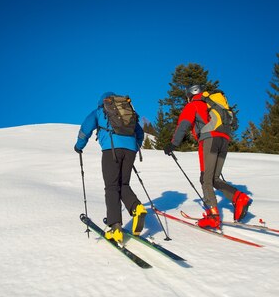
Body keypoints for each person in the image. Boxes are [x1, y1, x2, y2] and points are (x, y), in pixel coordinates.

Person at [163, 84, 251, 228]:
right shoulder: (212, 104)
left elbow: (184, 124)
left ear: (190, 94)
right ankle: (239, 197)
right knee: (214, 178)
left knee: (206, 179)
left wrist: (173, 144)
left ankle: (213, 215)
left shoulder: (194, 105)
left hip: (209, 141)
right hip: (224, 140)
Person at [74, 92, 147, 244]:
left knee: (112, 187)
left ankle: (115, 228)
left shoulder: (100, 111)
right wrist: (134, 145)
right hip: (131, 150)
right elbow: (139, 132)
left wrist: (79, 146)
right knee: (123, 184)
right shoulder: (128, 111)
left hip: (111, 150)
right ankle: (137, 208)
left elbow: (85, 129)